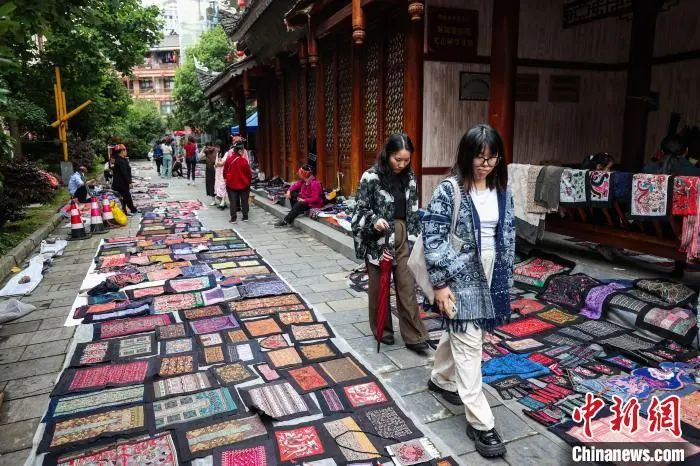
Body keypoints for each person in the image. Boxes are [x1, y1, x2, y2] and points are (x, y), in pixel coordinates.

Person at [423, 124, 514, 458]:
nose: (485, 164)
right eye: (479, 157)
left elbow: (508, 235)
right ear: (466, 156)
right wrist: (440, 284)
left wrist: (506, 278)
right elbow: (433, 238)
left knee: (461, 332)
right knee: (471, 344)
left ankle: (439, 378)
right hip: (460, 275)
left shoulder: (502, 190)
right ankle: (481, 422)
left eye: (491, 158)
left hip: (492, 272)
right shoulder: (450, 190)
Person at [351, 133, 429, 354]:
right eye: (397, 159)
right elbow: (359, 211)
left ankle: (414, 336)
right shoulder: (371, 177)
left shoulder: (410, 177)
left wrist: (415, 241)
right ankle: (382, 331)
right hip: (380, 239)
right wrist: (374, 221)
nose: (401, 164)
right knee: (379, 288)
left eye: (406, 160)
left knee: (407, 286)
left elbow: (413, 211)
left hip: (403, 235)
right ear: (387, 154)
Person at [223, 138, 252, 223]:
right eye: (242, 150)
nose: (243, 152)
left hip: (231, 184)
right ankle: (245, 217)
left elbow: (224, 172)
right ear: (239, 151)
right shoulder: (244, 161)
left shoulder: (229, 160)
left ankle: (233, 218)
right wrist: (248, 182)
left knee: (233, 201)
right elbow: (249, 174)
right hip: (244, 184)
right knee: (244, 201)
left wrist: (226, 180)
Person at [111, 144, 138, 215]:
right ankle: (133, 209)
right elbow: (124, 173)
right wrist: (129, 182)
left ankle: (125, 210)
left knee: (124, 197)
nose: (126, 151)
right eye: (125, 150)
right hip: (121, 183)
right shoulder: (120, 161)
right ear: (121, 151)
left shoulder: (122, 159)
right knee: (127, 196)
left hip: (122, 182)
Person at [214, 142, 230, 209]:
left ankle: (223, 201)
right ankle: (222, 202)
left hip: (223, 171)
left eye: (218, 147)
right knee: (218, 186)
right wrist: (217, 164)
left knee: (223, 186)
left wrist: (218, 164)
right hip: (218, 172)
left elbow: (223, 163)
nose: (217, 148)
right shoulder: (218, 153)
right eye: (216, 147)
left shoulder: (226, 153)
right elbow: (216, 162)